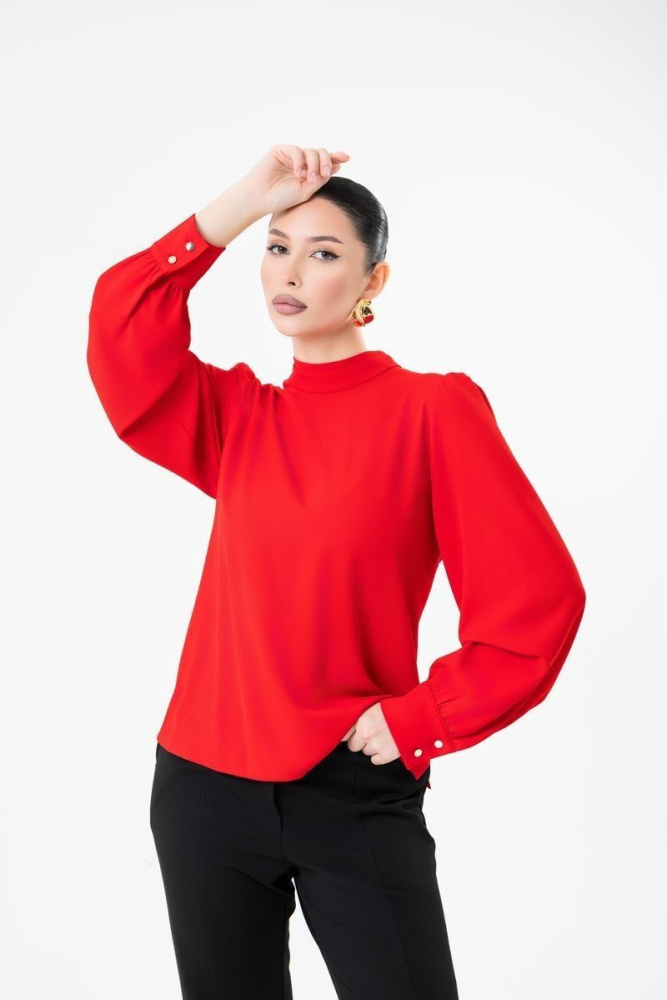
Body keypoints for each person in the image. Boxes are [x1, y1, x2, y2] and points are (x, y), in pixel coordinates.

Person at [87, 144, 586, 999]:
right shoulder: (239, 418)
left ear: (371, 282)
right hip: (203, 786)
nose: (289, 271)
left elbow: (537, 599)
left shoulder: (432, 411)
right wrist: (242, 201)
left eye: (322, 253)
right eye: (276, 247)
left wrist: (424, 717)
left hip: (351, 785)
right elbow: (121, 330)